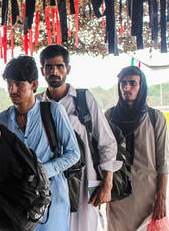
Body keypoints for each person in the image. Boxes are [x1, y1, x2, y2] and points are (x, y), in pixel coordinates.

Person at [36, 45, 121, 231]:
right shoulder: (37, 103)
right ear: (42, 70)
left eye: (59, 66)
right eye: (49, 67)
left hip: (84, 184)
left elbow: (106, 143)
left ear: (68, 69)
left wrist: (107, 184)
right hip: (49, 185)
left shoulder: (83, 100)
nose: (54, 71)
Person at [0, 55, 80, 231]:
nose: (12, 90)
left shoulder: (53, 111)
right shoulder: (3, 120)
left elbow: (74, 153)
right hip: (18, 202)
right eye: (9, 84)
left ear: (34, 85)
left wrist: (44, 171)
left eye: (19, 84)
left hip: (53, 199)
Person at [106, 66, 169, 231]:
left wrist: (161, 198)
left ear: (142, 86)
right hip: (117, 196)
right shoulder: (109, 116)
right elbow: (103, 156)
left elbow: (163, 161)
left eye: (132, 83)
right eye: (123, 83)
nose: (126, 88)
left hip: (146, 195)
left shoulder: (155, 118)